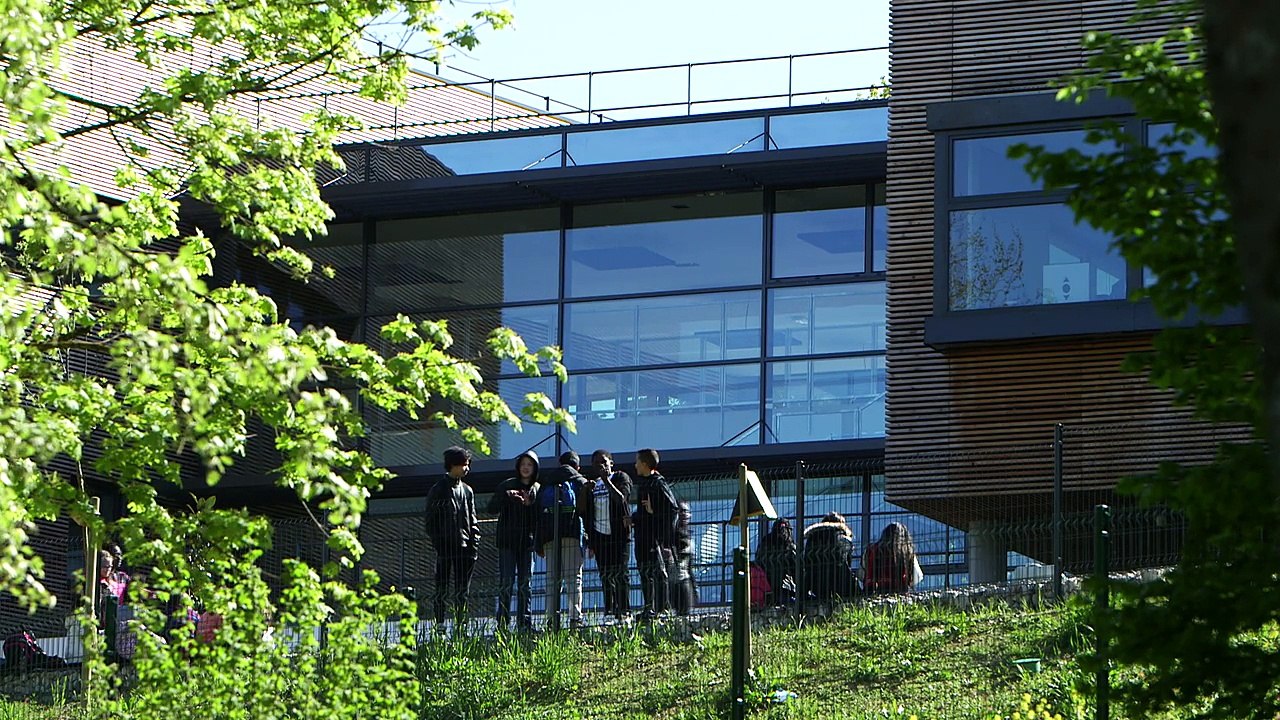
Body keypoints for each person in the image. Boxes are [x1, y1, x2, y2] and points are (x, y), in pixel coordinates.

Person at [425, 445, 480, 625]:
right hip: (445, 548)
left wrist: (474, 543)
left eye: (467, 464)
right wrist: (440, 544)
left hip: (465, 548)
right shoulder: (438, 489)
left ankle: (461, 626)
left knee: (462, 591)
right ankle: (440, 625)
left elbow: (472, 519)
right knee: (441, 589)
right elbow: (430, 522)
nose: (466, 468)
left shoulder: (467, 490)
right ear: (452, 465)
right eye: (463, 464)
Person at [487, 450, 541, 631]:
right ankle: (502, 623)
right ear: (518, 467)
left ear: (535, 468)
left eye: (530, 464)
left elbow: (540, 517)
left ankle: (524, 623)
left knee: (526, 584)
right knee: (506, 583)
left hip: (528, 543)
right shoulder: (507, 485)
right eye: (523, 464)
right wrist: (506, 497)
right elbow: (491, 508)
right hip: (507, 542)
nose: (526, 468)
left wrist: (529, 503)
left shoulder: (537, 489)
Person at [536, 451, 587, 630]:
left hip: (550, 536)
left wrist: (539, 542)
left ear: (559, 463)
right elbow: (586, 511)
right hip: (573, 533)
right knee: (574, 578)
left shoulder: (548, 481)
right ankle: (575, 618)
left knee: (552, 579)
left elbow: (538, 513)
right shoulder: (580, 481)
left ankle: (551, 619)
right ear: (577, 466)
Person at [580, 449, 632, 624]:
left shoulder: (620, 477)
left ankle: (624, 611)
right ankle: (609, 610)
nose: (601, 465)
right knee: (606, 575)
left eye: (603, 461)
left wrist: (606, 480)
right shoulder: (593, 485)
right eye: (596, 463)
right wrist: (585, 491)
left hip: (619, 535)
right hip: (600, 537)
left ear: (611, 462)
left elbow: (621, 499)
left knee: (621, 574)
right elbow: (582, 511)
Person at [633, 448, 678, 620]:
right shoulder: (643, 483)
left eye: (638, 461)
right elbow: (643, 512)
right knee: (645, 571)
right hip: (641, 535)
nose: (635, 465)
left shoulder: (658, 483)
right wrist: (634, 518)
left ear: (645, 464)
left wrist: (654, 512)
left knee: (658, 571)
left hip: (653, 536)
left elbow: (672, 509)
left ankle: (662, 607)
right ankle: (648, 608)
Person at [803, 512, 858, 601]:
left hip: (817, 586)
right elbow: (847, 564)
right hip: (840, 584)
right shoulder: (843, 538)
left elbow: (806, 563)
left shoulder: (812, 538)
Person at [863, 521, 923, 595]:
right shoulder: (907, 551)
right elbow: (917, 576)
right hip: (900, 591)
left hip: (877, 591)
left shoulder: (873, 550)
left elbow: (863, 572)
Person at [757, 519, 797, 606]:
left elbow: (758, 562)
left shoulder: (764, 542)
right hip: (782, 590)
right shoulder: (789, 546)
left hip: (762, 589)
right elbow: (797, 572)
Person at [669, 500, 696, 616]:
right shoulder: (670, 534)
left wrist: (694, 586)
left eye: (686, 511)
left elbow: (690, 565)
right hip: (673, 582)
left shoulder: (689, 535)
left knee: (685, 614)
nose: (683, 514)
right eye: (680, 511)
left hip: (685, 580)